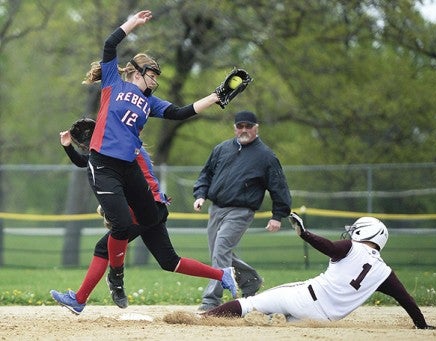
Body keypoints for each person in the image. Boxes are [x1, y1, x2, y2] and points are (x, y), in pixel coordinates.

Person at [50, 8, 236, 313]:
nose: (155, 81)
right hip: (104, 163)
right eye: (152, 75)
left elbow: (180, 111)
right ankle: (113, 280)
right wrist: (132, 24)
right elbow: (110, 46)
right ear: (137, 72)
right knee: (122, 226)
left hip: (126, 169)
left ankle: (220, 275)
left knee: (152, 224)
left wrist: (214, 98)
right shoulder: (114, 84)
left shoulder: (149, 103)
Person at [50, 129, 238, 314]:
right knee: (170, 261)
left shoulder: (119, 150)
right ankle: (223, 275)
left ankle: (81, 299)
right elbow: (88, 162)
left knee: (103, 248)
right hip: (153, 207)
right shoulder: (123, 146)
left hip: (146, 208)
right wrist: (68, 147)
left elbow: (94, 164)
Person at [202, 213, 436, 330]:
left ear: (364, 233)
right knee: (278, 320)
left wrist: (305, 234)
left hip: (305, 296)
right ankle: (272, 319)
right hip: (321, 320)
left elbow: (329, 247)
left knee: (250, 304)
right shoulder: (384, 271)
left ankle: (201, 320)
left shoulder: (352, 247)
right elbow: (406, 299)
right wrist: (422, 325)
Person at [193, 110, 291, 311]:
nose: (244, 130)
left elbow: (278, 186)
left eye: (248, 126)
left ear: (257, 127)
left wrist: (277, 215)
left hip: (241, 211)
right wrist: (200, 194)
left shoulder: (266, 156)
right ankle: (251, 280)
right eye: (240, 126)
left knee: (221, 248)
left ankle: (211, 300)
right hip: (216, 208)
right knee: (219, 253)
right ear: (234, 128)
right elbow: (206, 175)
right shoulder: (222, 149)